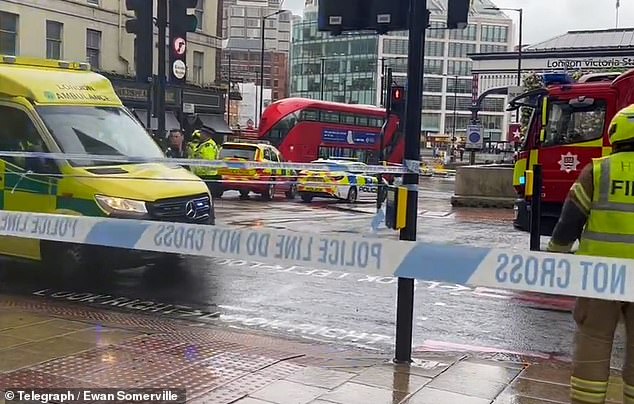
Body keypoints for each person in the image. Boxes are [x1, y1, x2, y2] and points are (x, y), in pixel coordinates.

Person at [547, 104, 634, 404]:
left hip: (599, 277)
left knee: (593, 342)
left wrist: (554, 256)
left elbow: (569, 221)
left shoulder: (598, 171)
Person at [187, 128, 222, 196]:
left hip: (207, 176)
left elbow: (207, 163)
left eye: (202, 133)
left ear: (207, 135)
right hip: (202, 175)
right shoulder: (202, 144)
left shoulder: (208, 146)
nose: (200, 135)